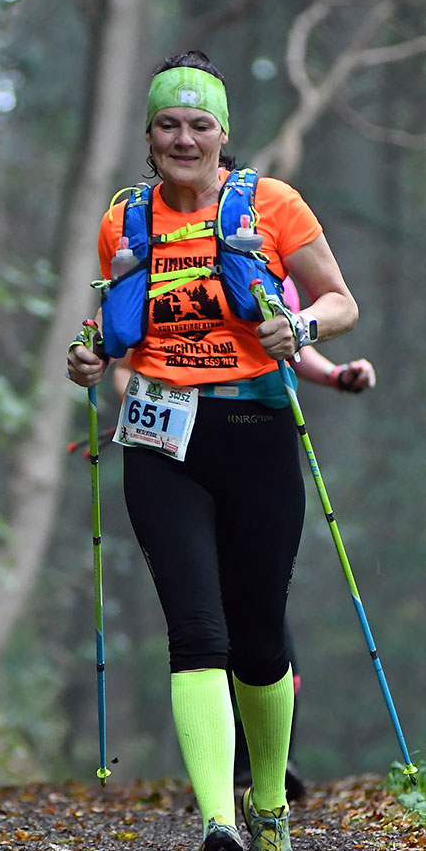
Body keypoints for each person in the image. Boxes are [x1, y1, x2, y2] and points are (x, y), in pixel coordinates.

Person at [67, 49, 359, 851]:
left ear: (224, 134)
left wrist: (299, 331)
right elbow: (110, 325)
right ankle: (217, 821)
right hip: (162, 440)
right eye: (168, 124)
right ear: (149, 136)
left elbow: (340, 301)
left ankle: (269, 806)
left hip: (256, 432)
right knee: (196, 631)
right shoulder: (127, 220)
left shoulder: (271, 205)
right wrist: (89, 358)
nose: (184, 138)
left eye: (200, 125)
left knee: (261, 640)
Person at [107, 307, 376, 804]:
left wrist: (337, 376)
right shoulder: (145, 242)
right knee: (202, 623)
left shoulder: (265, 256)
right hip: (168, 448)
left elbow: (299, 344)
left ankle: (270, 764)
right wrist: (159, 401)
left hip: (254, 436)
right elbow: (121, 362)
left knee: (259, 619)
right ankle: (227, 787)